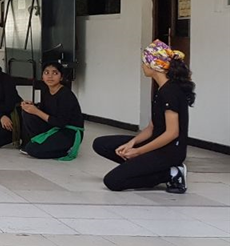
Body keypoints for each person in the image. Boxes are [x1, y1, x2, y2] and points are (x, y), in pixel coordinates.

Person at [93, 40, 194, 193]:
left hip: (168, 152)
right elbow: (152, 127)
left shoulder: (170, 92)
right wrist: (132, 143)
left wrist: (139, 152)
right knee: (101, 144)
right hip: (155, 143)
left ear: (154, 65)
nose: (142, 66)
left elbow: (172, 133)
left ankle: (170, 173)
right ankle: (142, 169)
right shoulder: (162, 90)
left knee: (113, 181)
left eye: (144, 62)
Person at [20, 61, 84, 160]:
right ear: (42, 76)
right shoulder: (46, 91)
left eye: (55, 73)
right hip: (54, 127)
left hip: (68, 131)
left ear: (61, 77)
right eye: (46, 73)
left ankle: (65, 149)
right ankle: (40, 143)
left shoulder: (66, 95)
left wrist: (36, 111)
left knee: (32, 150)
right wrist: (31, 106)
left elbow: (60, 123)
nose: (50, 76)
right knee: (27, 113)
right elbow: (44, 110)